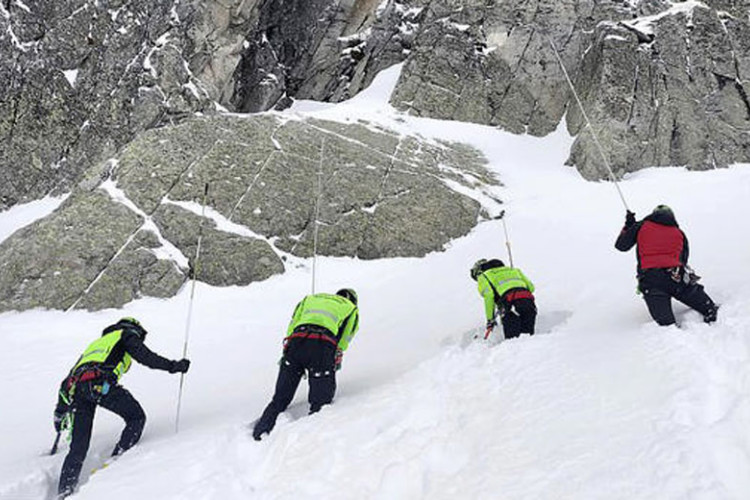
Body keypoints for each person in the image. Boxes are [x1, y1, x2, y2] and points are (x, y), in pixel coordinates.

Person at [53, 317, 190, 498]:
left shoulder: (96, 345)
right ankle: (118, 460)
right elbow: (145, 357)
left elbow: (67, 382)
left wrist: (60, 412)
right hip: (100, 385)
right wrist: (174, 366)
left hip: (79, 391)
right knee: (136, 417)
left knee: (78, 448)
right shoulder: (126, 335)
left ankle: (64, 491)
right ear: (135, 329)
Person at [253, 288, 359, 441]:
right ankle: (308, 444)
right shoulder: (351, 308)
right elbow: (344, 339)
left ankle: (260, 433)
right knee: (321, 403)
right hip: (322, 346)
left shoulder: (310, 299)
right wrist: (334, 358)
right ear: (353, 300)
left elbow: (293, 324)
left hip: (296, 342)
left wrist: (288, 351)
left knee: (280, 399)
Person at [615, 205, 718, 326]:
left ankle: (671, 332)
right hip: (676, 277)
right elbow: (683, 258)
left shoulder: (641, 225)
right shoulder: (679, 232)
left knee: (666, 325)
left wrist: (629, 226)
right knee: (709, 308)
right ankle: (710, 313)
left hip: (651, 280)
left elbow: (621, 246)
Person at [470, 258, 536, 339]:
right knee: (528, 337)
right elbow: (531, 288)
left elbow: (489, 296)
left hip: (509, 305)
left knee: (513, 341)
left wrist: (490, 320)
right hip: (528, 302)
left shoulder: (483, 276)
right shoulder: (515, 270)